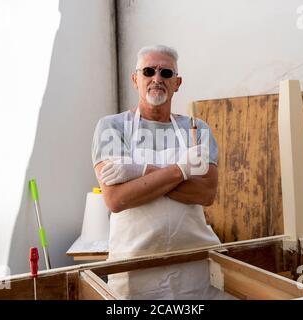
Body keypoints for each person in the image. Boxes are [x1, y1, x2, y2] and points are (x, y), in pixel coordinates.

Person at [91, 45, 232, 300]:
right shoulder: (112, 127)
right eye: (148, 71)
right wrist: (181, 170)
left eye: (166, 73)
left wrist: (139, 174)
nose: (157, 79)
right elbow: (116, 199)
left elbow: (205, 193)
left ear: (177, 83)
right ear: (136, 79)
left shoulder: (196, 130)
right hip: (134, 270)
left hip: (196, 264)